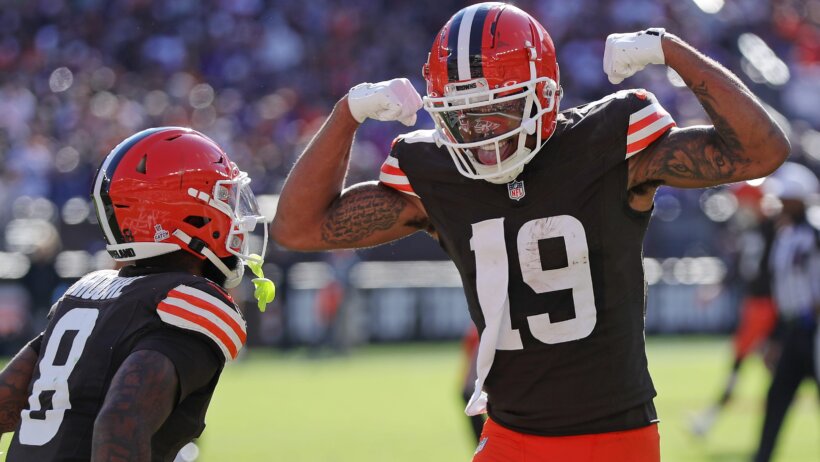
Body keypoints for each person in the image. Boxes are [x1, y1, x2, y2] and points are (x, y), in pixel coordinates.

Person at [271, 3, 789, 461]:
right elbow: (297, 228)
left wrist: (671, 51)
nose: (481, 132)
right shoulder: (435, 175)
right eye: (464, 116)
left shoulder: (607, 144)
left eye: (495, 109)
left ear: (545, 92)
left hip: (615, 440)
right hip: (510, 437)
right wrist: (347, 113)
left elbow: (762, 150)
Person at [0, 127, 271, 461]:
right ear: (187, 212)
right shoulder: (190, 302)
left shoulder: (87, 291)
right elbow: (120, 423)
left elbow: (5, 403)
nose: (236, 215)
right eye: (225, 199)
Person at [689, 184, 778, 437]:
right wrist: (717, 288)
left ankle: (709, 420)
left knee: (744, 365)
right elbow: (739, 268)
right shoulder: (752, 230)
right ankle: (709, 419)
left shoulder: (774, 228)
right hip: (756, 305)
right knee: (772, 367)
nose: (740, 209)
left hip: (767, 306)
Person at [752, 162, 820, 462]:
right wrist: (776, 337)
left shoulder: (815, 233)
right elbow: (785, 294)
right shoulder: (784, 236)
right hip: (794, 330)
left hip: (816, 330)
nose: (780, 203)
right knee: (776, 397)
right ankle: (762, 457)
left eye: (787, 198)